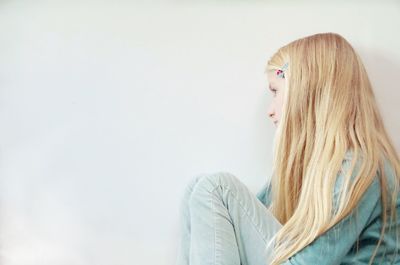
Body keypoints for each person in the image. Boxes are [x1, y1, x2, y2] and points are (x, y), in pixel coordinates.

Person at [175, 32, 400, 265]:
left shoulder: (358, 169)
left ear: (304, 94)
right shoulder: (317, 165)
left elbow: (308, 262)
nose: (270, 110)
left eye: (276, 91)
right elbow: (241, 222)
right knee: (197, 188)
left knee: (215, 189)